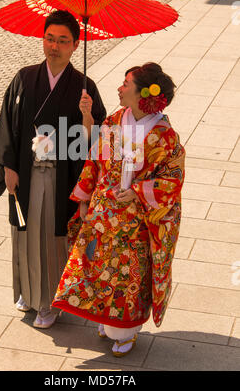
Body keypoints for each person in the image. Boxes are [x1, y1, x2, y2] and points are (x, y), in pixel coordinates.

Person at [52, 63, 185, 357]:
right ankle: (104, 317)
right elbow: (96, 159)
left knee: (127, 275)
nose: (120, 89)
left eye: (126, 84)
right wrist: (85, 198)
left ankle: (124, 331)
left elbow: (172, 179)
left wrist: (138, 192)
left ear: (143, 94)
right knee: (98, 268)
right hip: (103, 211)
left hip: (135, 219)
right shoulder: (115, 120)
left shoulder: (164, 136)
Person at [0, 10, 106, 329]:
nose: (54, 46)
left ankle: (51, 301)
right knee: (25, 232)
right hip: (25, 170)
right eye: (49, 38)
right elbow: (8, 125)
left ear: (75, 44)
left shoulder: (85, 86)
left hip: (60, 174)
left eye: (63, 41)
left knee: (53, 238)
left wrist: (87, 118)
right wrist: (8, 166)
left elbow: (94, 142)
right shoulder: (24, 77)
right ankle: (27, 290)